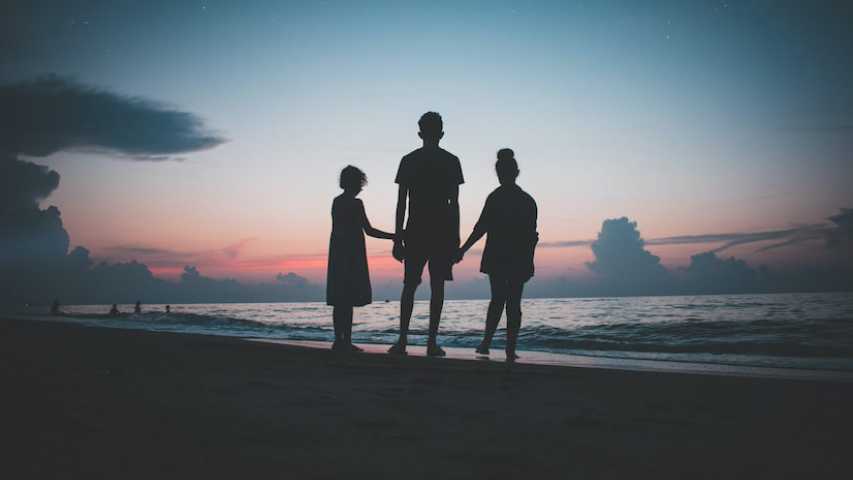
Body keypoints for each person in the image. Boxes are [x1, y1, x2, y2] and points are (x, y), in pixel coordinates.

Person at [389, 112, 464, 357]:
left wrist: (398, 237)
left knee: (409, 285)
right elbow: (455, 204)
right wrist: (456, 238)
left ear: (420, 133)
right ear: (441, 133)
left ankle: (402, 341)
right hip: (441, 232)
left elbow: (401, 203)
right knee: (437, 286)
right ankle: (431, 343)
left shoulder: (409, 160)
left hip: (416, 231)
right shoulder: (451, 161)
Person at [456, 148, 538, 362]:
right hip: (516, 257)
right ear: (516, 172)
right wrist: (529, 261)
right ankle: (509, 348)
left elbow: (480, 228)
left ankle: (487, 343)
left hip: (499, 256)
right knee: (513, 303)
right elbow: (531, 237)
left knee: (498, 300)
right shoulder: (526, 200)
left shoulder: (497, 197)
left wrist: (463, 250)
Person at [327, 166, 396, 352]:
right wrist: (394, 236)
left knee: (339, 299)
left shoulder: (336, 202)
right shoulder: (356, 203)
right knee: (347, 299)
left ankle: (338, 340)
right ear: (356, 183)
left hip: (337, 252)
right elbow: (369, 230)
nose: (361, 187)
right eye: (360, 183)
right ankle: (346, 342)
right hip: (351, 252)